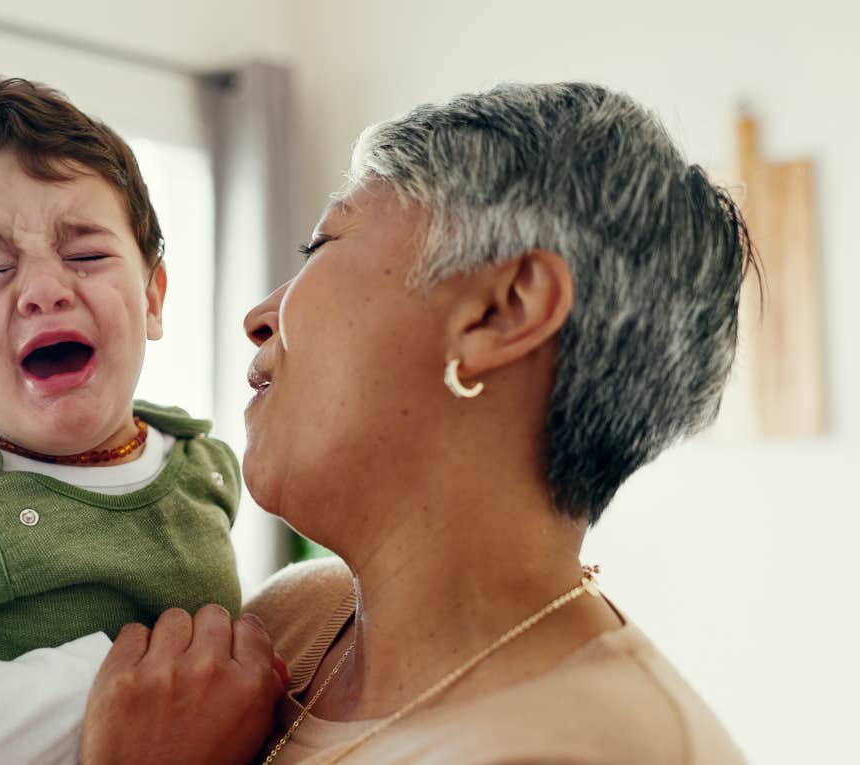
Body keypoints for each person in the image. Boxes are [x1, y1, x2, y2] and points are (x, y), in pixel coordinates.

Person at [81, 82, 753, 764]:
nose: (258, 314)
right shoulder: (288, 624)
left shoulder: (605, 749)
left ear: (503, 310)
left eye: (322, 245)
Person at [0, 76, 245, 765]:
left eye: (85, 255)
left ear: (153, 295)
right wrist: (125, 677)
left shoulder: (201, 464)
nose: (46, 291)